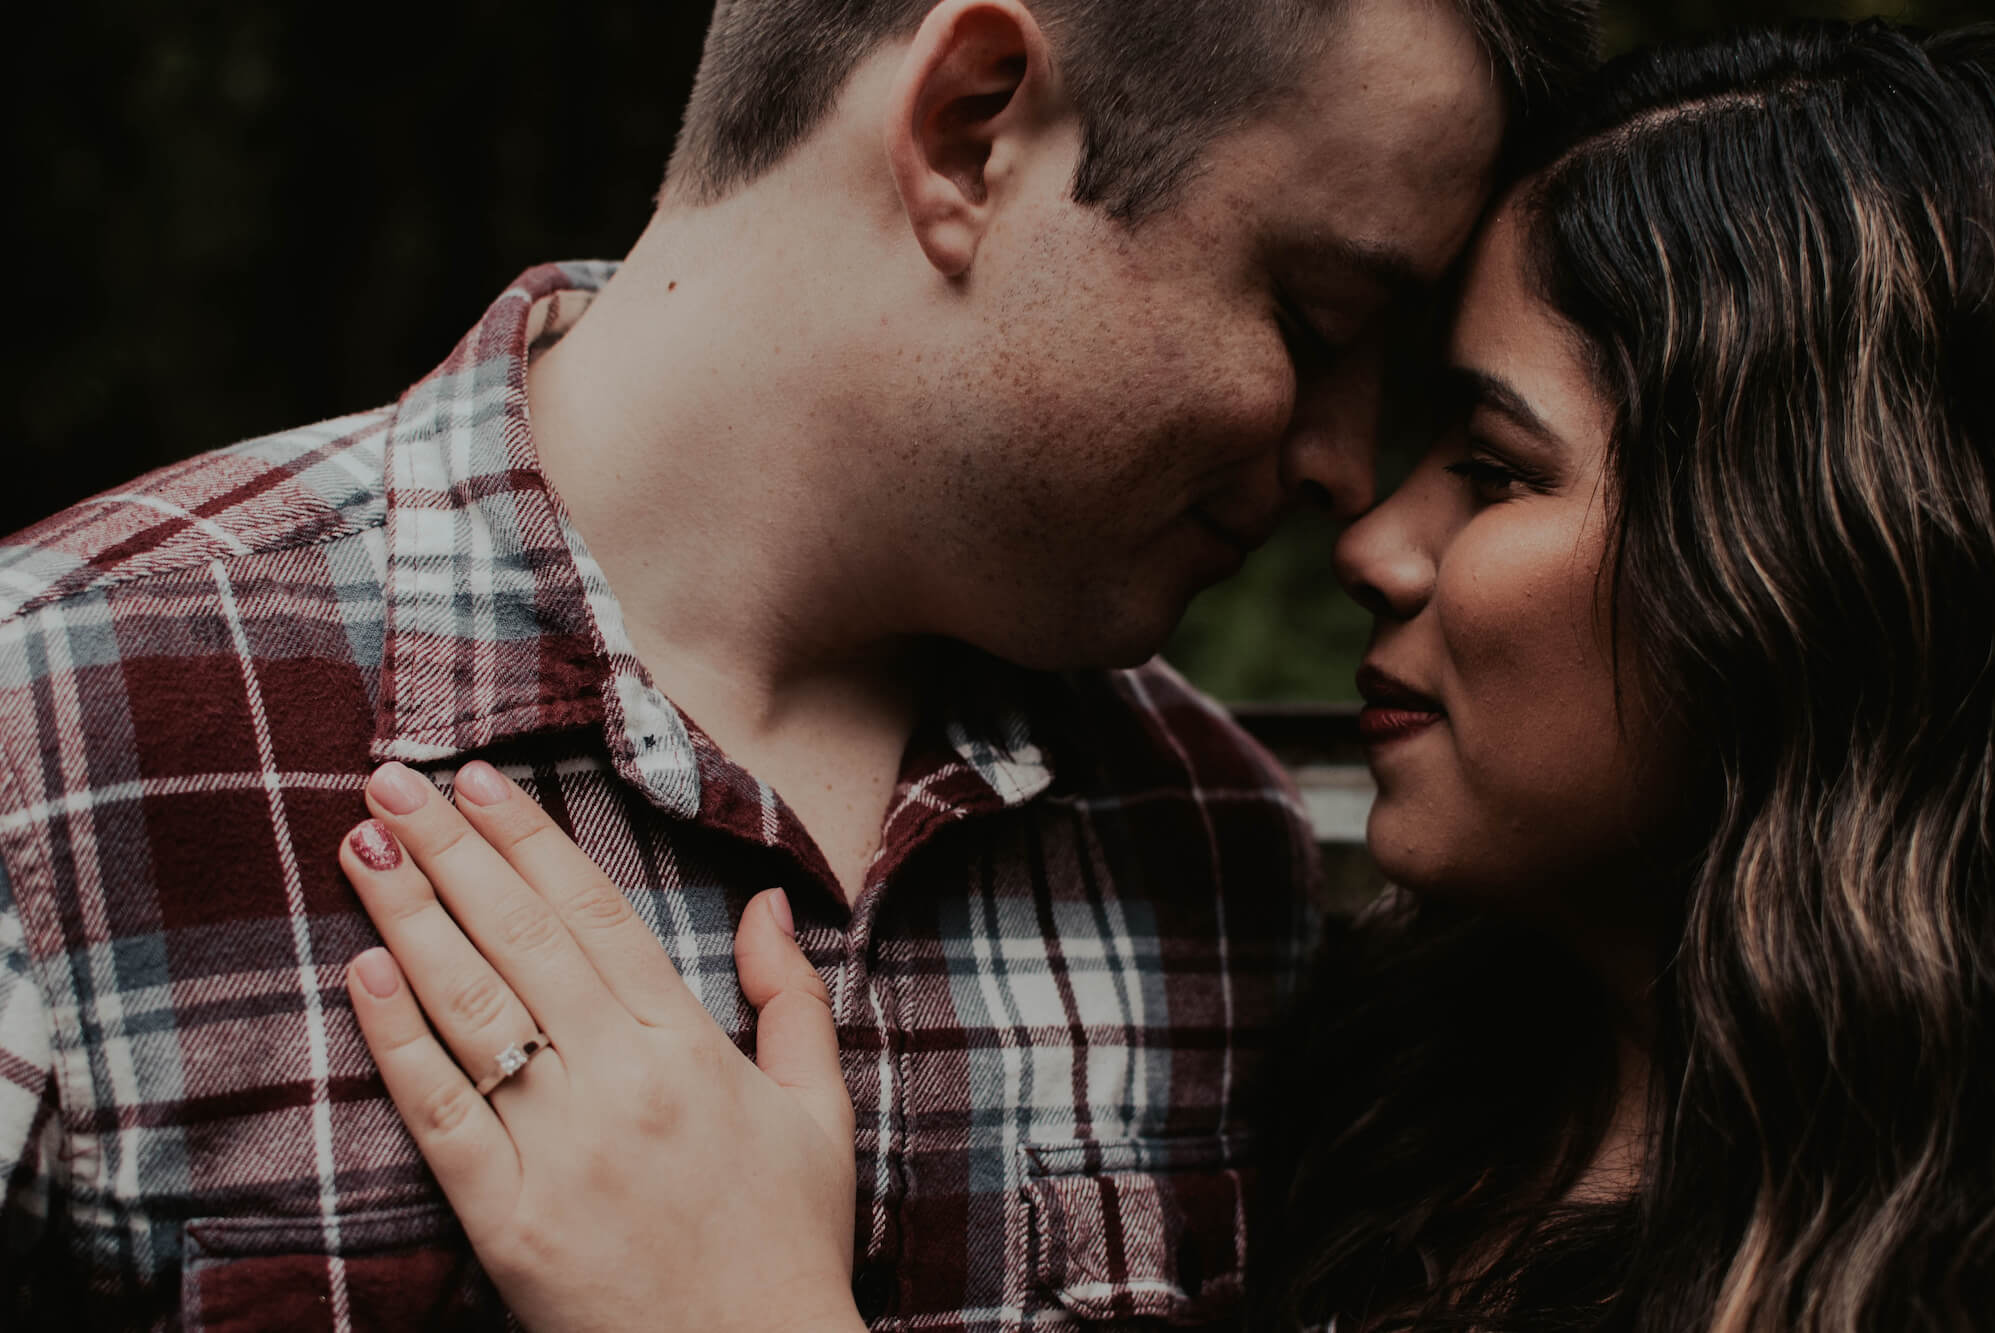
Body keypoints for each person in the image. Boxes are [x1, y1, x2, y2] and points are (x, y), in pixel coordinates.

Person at [327, 16, 1995, 1332]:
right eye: (1318, 323)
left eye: (1491, 466)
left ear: (1802, 575)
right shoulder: (1375, 1080)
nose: (1366, 525)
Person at [0, 0, 1599, 1326]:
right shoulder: (52, 725)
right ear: (973, 126)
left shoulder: (1219, 847)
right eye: (1316, 319)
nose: (1343, 466)